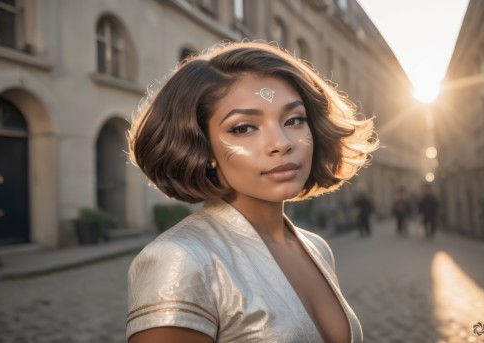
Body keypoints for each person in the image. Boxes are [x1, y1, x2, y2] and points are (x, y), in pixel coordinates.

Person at [125, 41, 377, 343]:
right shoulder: (181, 259)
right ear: (203, 147)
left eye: (294, 120)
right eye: (244, 128)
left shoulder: (316, 247)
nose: (281, 142)